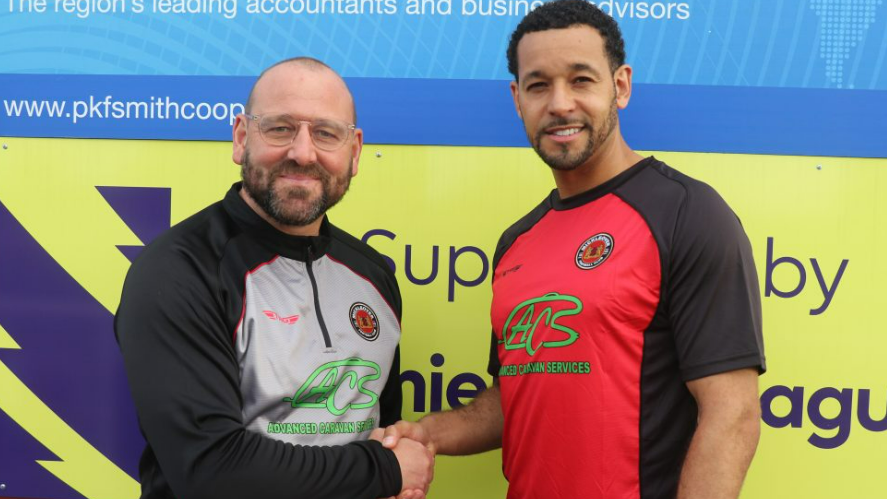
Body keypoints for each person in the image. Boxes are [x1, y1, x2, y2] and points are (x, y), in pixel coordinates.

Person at [373, 1, 766, 498]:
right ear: (517, 98)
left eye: (581, 80)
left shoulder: (687, 214)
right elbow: (512, 399)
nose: (560, 104)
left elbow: (732, 414)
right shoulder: (517, 240)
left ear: (620, 86)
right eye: (539, 85)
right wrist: (427, 435)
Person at [115, 57, 433, 499]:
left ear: (355, 151)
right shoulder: (180, 269)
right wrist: (383, 469)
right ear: (241, 137)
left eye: (326, 133)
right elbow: (212, 471)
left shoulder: (374, 275)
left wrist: (385, 467)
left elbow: (379, 432)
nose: (302, 153)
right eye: (280, 128)